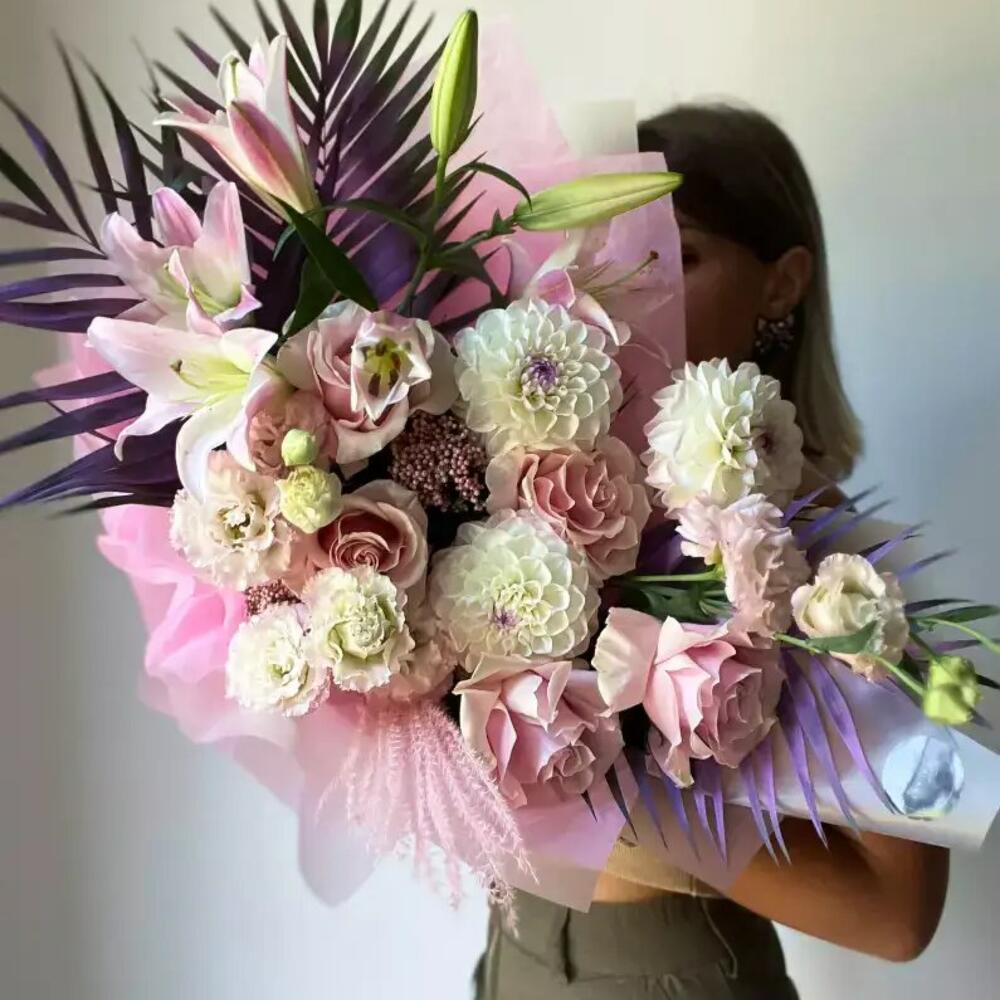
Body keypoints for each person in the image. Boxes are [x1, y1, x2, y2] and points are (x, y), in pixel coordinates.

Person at [475, 103, 949, 999]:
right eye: (616, 253)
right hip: (513, 954)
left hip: (673, 975)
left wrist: (620, 799)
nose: (631, 287)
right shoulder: (557, 490)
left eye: (677, 254)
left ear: (781, 284)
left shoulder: (833, 560)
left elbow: (897, 915)